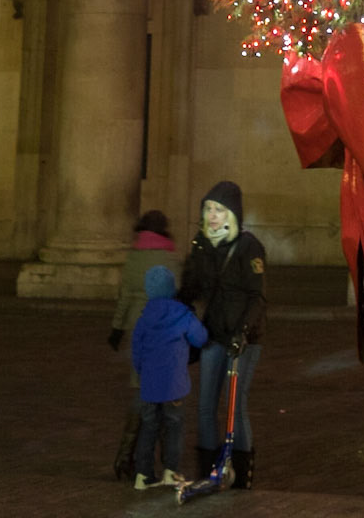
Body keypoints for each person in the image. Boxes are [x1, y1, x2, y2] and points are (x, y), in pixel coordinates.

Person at [179, 180, 266, 490]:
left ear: (233, 214)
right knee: (205, 405)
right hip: (213, 336)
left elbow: (257, 297)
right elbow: (190, 290)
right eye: (208, 209)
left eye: (219, 210)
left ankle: (241, 474)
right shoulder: (202, 245)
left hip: (244, 339)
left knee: (235, 404)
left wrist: (242, 333)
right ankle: (208, 470)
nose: (212, 216)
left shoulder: (248, 246)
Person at [110, 210, 177, 479]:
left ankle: (125, 455)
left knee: (140, 390)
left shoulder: (134, 257)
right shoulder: (171, 258)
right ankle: (164, 461)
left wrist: (116, 328)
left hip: (138, 329)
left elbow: (125, 296)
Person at [128, 263, 208, 491]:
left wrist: (142, 371)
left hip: (150, 384)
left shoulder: (144, 318)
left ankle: (142, 475)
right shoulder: (181, 313)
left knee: (149, 426)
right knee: (174, 426)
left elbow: (137, 350)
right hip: (175, 383)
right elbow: (200, 338)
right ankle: (170, 471)